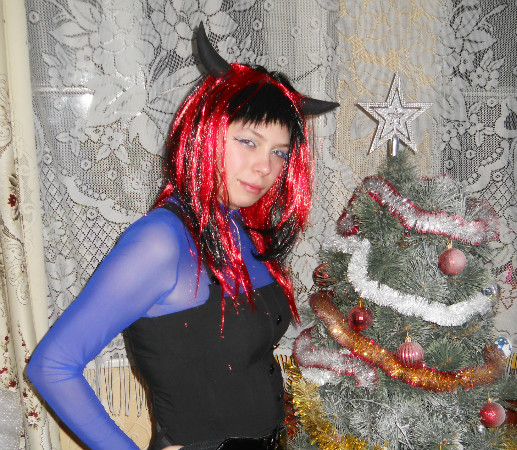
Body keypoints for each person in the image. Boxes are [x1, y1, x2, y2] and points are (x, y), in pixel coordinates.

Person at [27, 23, 338, 450]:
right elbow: (52, 366)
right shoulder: (161, 240)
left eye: (279, 152)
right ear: (206, 132)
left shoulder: (242, 229)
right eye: (248, 142)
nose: (266, 167)